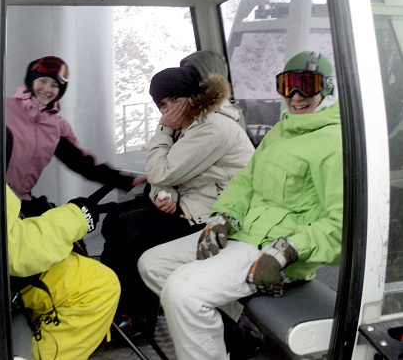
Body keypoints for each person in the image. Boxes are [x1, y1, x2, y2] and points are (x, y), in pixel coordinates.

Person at [138, 51, 343, 359]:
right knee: (152, 265)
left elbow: (341, 222)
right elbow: (244, 183)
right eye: (288, 86)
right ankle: (237, 329)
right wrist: (222, 217)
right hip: (242, 233)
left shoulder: (332, 143)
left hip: (276, 250)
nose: (296, 96)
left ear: (325, 89)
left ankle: (213, 333)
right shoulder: (280, 132)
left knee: (183, 292)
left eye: (306, 85)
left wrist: (286, 251)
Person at [100, 63, 255, 335]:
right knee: (114, 221)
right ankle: (120, 309)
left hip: (219, 216)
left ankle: (135, 317)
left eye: (175, 98)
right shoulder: (190, 124)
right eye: (162, 104)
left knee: (128, 232)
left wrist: (163, 128)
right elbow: (168, 176)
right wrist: (163, 194)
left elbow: (161, 170)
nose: (169, 109)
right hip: (194, 204)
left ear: (193, 96)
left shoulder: (211, 127)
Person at [5, 55, 145, 217]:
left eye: (54, 85)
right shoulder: (5, 109)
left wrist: (123, 180)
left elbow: (81, 162)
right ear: (31, 81)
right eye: (42, 81)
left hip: (22, 201)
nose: (47, 89)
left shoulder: (56, 126)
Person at [7, 184, 120, 359]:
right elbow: (16, 249)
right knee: (100, 288)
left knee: (92, 274)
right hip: (4, 278)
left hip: (8, 269)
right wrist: (78, 217)